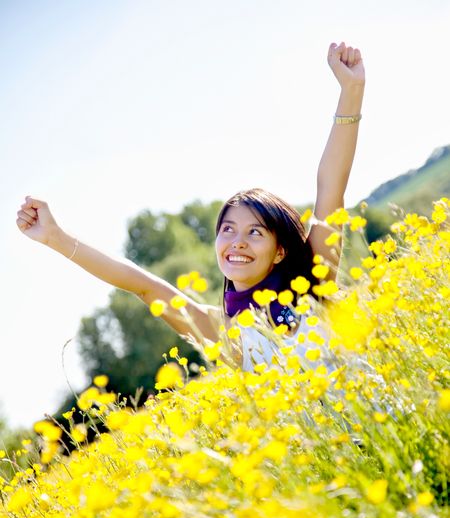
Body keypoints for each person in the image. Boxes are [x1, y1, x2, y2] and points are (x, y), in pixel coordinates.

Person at [16, 42, 365, 370]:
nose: (237, 242)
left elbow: (330, 187)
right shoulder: (219, 330)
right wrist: (56, 238)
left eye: (255, 232)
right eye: (228, 230)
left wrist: (351, 91)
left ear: (279, 252)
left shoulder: (315, 281)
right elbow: (142, 284)